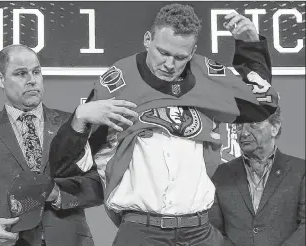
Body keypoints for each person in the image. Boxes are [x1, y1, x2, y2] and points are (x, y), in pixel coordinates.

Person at [49, 4, 279, 246]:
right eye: (163, 52)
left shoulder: (207, 76)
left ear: (193, 51)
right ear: (148, 40)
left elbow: (259, 101)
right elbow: (64, 166)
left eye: (180, 57)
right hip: (141, 229)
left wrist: (250, 45)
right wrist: (81, 117)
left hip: (199, 229)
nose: (170, 64)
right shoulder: (118, 82)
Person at [0, 45, 107, 246]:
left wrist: (59, 193)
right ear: (0, 79)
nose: (32, 80)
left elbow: (97, 185)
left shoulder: (72, 125)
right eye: (21, 73)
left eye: (36, 72)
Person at [209, 106, 305, 246]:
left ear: (275, 128)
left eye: (253, 124)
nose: (244, 133)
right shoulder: (220, 174)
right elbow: (214, 229)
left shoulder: (300, 170)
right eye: (239, 126)